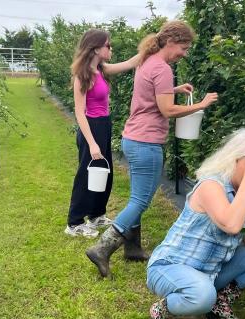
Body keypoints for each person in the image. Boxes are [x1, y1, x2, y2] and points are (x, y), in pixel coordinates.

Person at [86, 20, 218, 277]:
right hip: (147, 142)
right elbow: (167, 110)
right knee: (141, 199)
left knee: (137, 195)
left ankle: (133, 248)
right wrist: (201, 104)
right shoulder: (163, 68)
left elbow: (151, 94)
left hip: (133, 139)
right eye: (184, 47)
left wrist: (175, 89)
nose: (185, 53)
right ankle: (102, 249)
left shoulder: (148, 61)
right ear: (171, 42)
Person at [146, 128, 245, 319]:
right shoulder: (211, 185)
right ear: (235, 158)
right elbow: (232, 224)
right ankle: (166, 306)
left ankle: (219, 301)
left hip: (211, 270)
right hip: (171, 267)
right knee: (202, 296)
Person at [64, 29, 140, 238]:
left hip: (104, 124)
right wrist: (92, 143)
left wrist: (157, 43)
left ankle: (97, 214)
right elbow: (79, 113)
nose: (111, 48)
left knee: (105, 173)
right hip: (91, 127)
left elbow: (130, 63)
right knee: (86, 174)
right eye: (108, 45)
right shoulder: (83, 75)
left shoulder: (102, 69)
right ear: (96, 48)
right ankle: (74, 222)